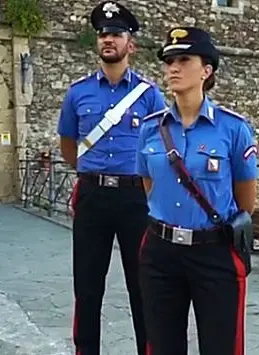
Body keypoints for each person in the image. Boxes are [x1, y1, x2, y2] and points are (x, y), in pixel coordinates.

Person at [136, 27, 259, 355]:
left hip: (214, 252)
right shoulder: (151, 129)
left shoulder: (233, 129)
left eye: (183, 59)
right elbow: (149, 185)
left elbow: (246, 200)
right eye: (168, 61)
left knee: (221, 346)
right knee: (161, 345)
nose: (172, 67)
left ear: (207, 70)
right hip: (160, 253)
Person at [56, 1, 166, 354]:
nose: (108, 39)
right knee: (87, 287)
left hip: (136, 199)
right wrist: (92, 174)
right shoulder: (78, 93)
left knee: (143, 286)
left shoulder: (149, 96)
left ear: (129, 44)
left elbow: (165, 146)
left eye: (116, 34)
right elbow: (69, 145)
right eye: (103, 34)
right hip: (92, 197)